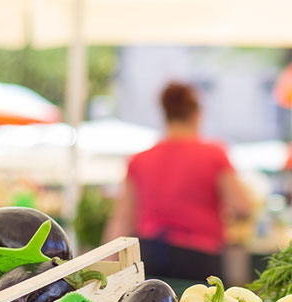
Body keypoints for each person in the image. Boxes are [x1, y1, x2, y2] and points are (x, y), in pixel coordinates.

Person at [105, 82, 249, 282]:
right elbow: (242, 207)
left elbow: (123, 219)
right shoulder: (214, 154)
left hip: (151, 254)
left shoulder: (140, 159)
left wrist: (108, 266)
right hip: (199, 257)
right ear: (196, 114)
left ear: (165, 115)